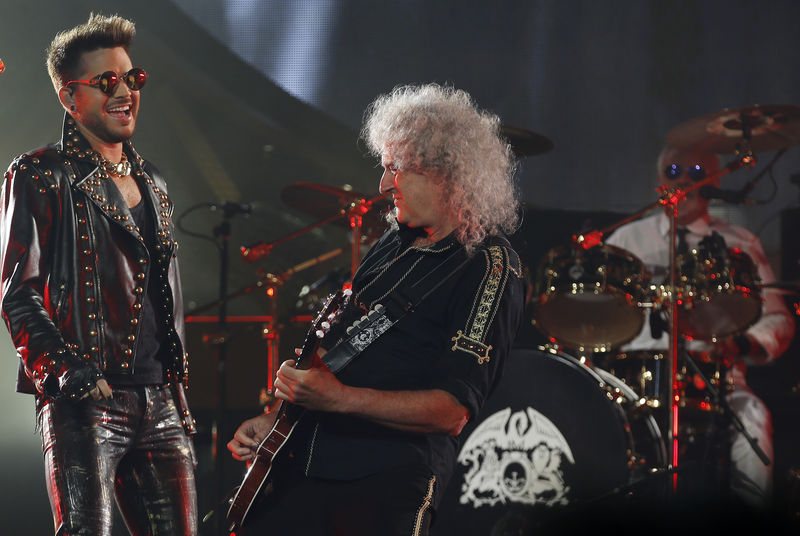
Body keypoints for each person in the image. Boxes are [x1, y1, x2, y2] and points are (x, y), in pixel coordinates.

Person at [227, 84, 525, 535]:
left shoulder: (489, 265)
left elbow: (452, 411)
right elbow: (345, 350)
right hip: (306, 460)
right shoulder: (394, 241)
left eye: (395, 168)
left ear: (446, 174)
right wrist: (278, 421)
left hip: (389, 481)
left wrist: (339, 398)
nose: (384, 185)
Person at [0, 13, 197, 535]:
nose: (125, 91)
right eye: (106, 81)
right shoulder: (39, 174)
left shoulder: (152, 179)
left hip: (161, 402)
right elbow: (16, 294)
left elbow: (164, 295)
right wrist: (68, 371)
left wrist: (176, 389)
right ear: (69, 97)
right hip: (88, 402)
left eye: (132, 78)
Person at [605, 145, 795, 507]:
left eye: (696, 172)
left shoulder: (739, 243)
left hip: (716, 384)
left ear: (716, 181)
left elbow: (778, 318)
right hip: (634, 386)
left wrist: (743, 344)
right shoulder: (626, 241)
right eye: (673, 171)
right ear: (659, 181)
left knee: (754, 419)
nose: (685, 181)